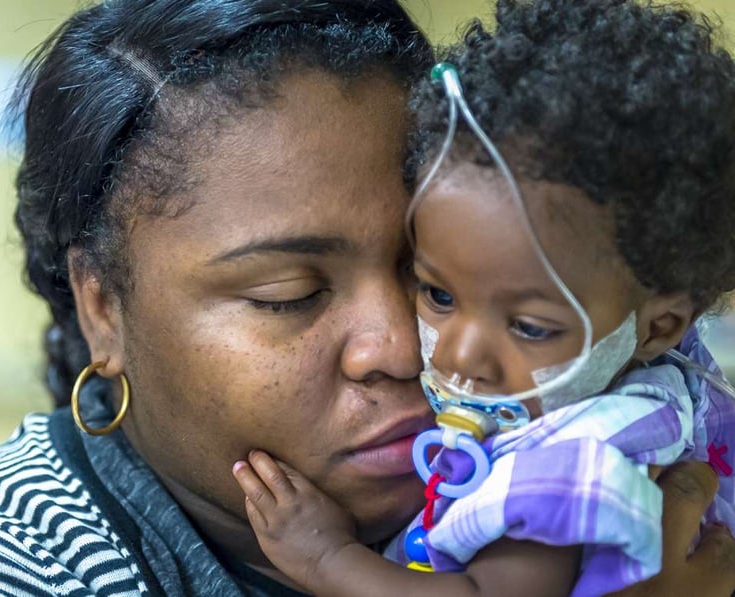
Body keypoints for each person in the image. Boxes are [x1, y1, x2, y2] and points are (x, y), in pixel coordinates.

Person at [0, 0, 735, 595]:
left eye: (426, 278)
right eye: (288, 292)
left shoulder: (565, 460)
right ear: (101, 306)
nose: (403, 346)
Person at [231, 0, 735, 596]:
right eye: (438, 294)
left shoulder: (568, 466)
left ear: (657, 328)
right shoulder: (649, 381)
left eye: (528, 326)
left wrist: (326, 558)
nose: (460, 355)